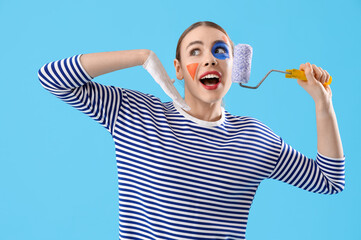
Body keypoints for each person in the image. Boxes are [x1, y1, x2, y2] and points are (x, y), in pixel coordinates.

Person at [38, 21, 345, 240]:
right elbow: (52, 78)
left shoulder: (254, 137)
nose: (210, 58)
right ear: (177, 69)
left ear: (235, 68)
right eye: (195, 52)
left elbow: (330, 180)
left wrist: (323, 103)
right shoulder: (134, 114)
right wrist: (140, 56)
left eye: (220, 51)